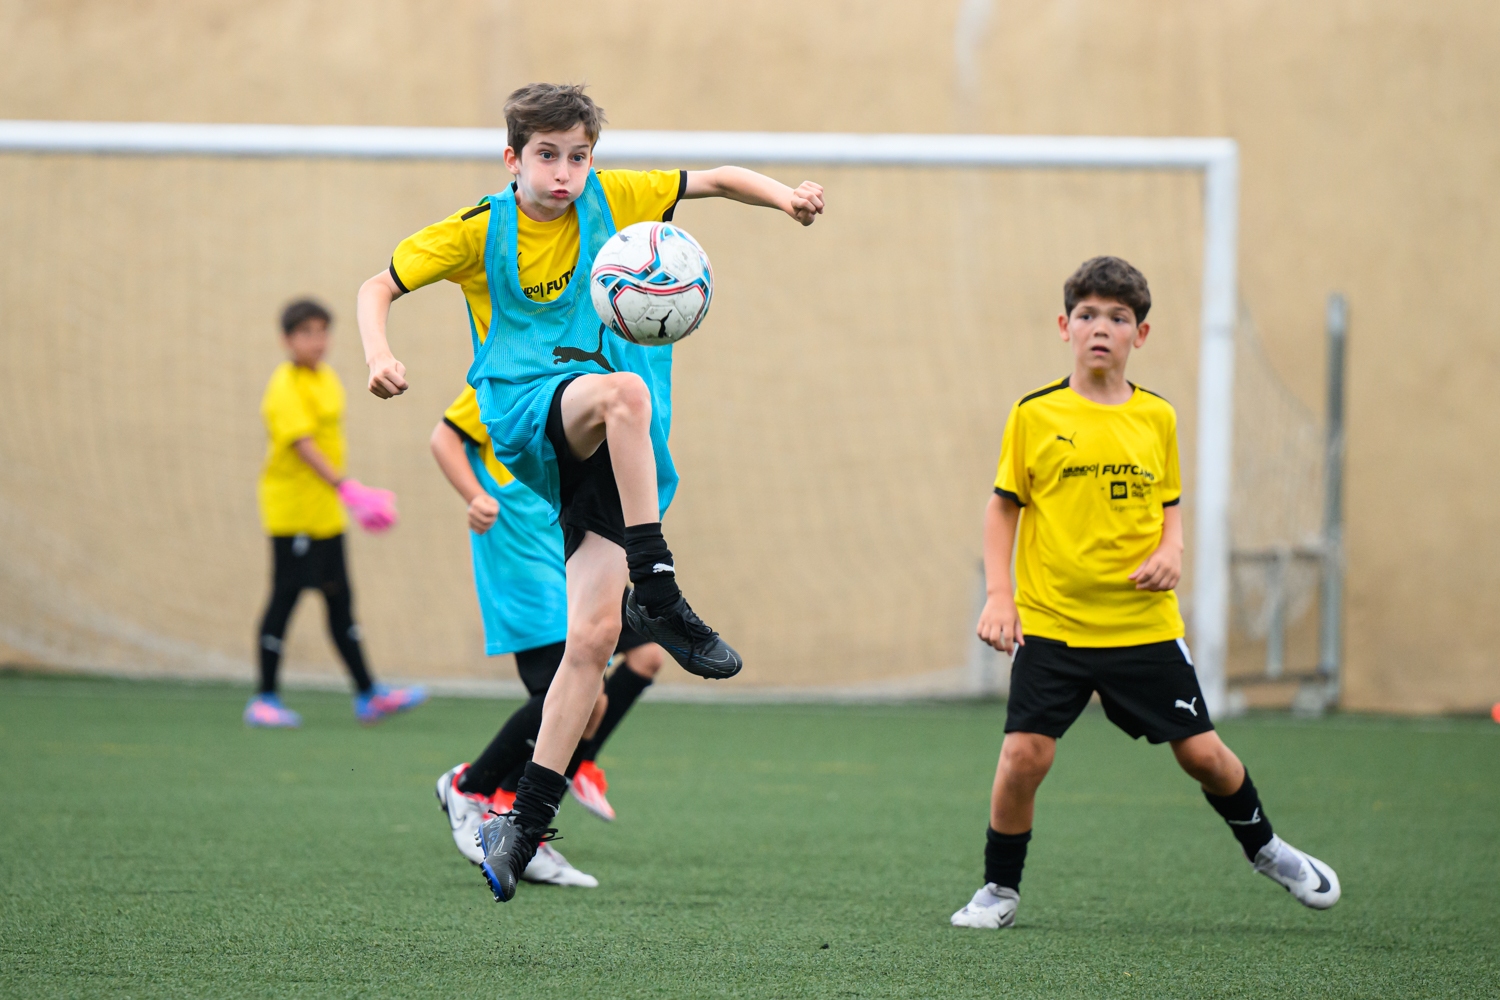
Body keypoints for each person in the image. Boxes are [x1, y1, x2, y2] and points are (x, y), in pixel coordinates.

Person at [356, 82, 822, 901]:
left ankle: (520, 825)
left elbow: (714, 180)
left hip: (609, 448)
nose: (565, 173)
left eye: (578, 156)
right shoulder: (479, 230)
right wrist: (378, 353)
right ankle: (661, 589)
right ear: (513, 159)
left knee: (592, 643)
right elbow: (377, 286)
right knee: (626, 393)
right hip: (526, 409)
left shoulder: (616, 199)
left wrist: (786, 197)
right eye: (547, 156)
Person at [950, 257, 1341, 930]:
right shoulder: (1035, 413)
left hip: (1141, 626)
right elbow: (1002, 507)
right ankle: (999, 890)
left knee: (1203, 755)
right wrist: (998, 595)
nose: (1101, 328)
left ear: (1142, 333)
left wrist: (1172, 549)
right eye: (1088, 315)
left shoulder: (1157, 416)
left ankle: (1268, 849)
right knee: (1023, 756)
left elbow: (1169, 503)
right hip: (1053, 624)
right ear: (1065, 326)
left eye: (1118, 317)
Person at [428, 385, 666, 887]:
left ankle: (516, 821)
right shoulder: (506, 377)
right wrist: (475, 496)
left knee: (611, 686)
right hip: (521, 558)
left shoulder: (591, 381)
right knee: (576, 694)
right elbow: (443, 438)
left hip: (572, 548)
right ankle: (470, 787)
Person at [244, 298, 427, 728]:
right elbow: (303, 444)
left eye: (323, 331)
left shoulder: (326, 379)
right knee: (285, 597)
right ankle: (264, 698)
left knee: (339, 600)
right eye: (306, 332)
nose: (317, 340)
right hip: (293, 514)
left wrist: (345, 497)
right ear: (287, 340)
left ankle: (368, 695)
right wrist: (348, 488)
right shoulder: (284, 386)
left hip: (326, 513)